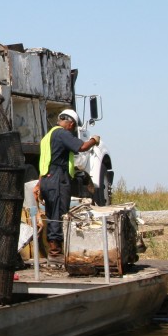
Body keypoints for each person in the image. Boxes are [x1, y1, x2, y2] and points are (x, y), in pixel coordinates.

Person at [38, 109, 100, 257]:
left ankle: (54, 252)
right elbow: (81, 147)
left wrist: (39, 185)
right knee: (58, 214)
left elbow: (46, 161)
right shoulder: (62, 133)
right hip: (57, 178)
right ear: (71, 124)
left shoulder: (48, 136)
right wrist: (94, 140)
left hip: (47, 179)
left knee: (52, 214)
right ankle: (55, 253)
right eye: (72, 128)